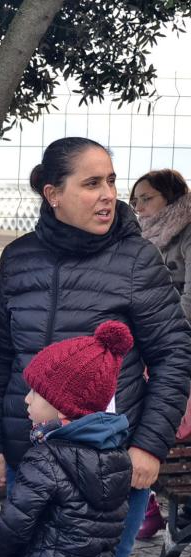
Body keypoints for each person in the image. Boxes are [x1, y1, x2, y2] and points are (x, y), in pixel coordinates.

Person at [0, 137, 191, 557]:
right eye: (92, 182)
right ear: (53, 193)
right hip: (30, 455)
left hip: (111, 465)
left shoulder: (138, 259)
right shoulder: (18, 259)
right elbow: (5, 357)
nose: (108, 194)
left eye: (112, 181)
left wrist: (149, 445)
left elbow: (174, 356)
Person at [0, 321, 134, 557]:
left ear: (64, 406)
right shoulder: (116, 456)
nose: (26, 399)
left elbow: (15, 522)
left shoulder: (46, 458)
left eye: (36, 392)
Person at [130, 169, 191, 538]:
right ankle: (149, 503)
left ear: (173, 198)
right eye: (134, 200)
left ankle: (152, 501)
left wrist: (164, 340)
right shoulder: (143, 239)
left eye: (147, 198)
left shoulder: (187, 233)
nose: (138, 207)